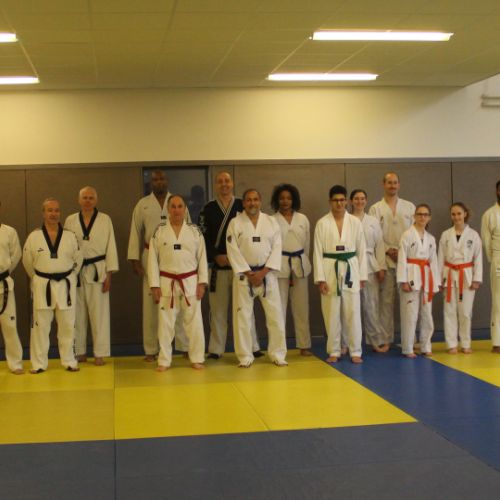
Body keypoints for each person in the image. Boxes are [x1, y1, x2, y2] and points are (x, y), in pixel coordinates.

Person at [127, 169, 189, 361]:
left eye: (162, 179)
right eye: (155, 179)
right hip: (150, 257)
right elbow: (135, 231)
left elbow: (189, 231)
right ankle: (151, 349)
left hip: (175, 256)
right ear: (151, 182)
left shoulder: (177, 202)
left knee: (179, 301)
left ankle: (184, 345)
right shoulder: (143, 204)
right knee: (151, 306)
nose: (159, 182)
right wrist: (135, 260)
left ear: (167, 181)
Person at [198, 171, 261, 359]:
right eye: (220, 181)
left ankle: (253, 346)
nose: (224, 184)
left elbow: (251, 233)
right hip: (218, 266)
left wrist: (239, 258)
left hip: (241, 267)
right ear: (216, 185)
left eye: (227, 181)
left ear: (232, 183)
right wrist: (215, 255)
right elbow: (202, 237)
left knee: (245, 309)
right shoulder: (207, 209)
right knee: (217, 310)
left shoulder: (243, 205)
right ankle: (216, 349)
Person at [226, 189, 287, 368]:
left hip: (267, 275)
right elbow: (232, 250)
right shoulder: (235, 223)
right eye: (248, 200)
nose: (252, 203)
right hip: (244, 277)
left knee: (275, 316)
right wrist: (249, 273)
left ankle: (278, 354)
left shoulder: (271, 222)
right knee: (242, 318)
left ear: (260, 201)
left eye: (255, 199)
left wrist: (263, 272)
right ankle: (245, 356)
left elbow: (277, 248)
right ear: (244, 203)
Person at [148, 195, 207, 371]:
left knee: (194, 323)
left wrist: (202, 283)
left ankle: (197, 357)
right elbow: (152, 260)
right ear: (168, 209)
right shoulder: (159, 231)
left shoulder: (195, 231)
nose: (176, 210)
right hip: (167, 282)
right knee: (165, 324)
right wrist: (154, 285)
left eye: (180, 206)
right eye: (173, 206)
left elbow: (202, 258)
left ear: (185, 209)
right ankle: (164, 360)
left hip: (190, 281)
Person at [23, 198, 82, 373]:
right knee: (40, 326)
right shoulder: (34, 237)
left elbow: (78, 259)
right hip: (43, 284)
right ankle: (39, 364)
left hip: (65, 284)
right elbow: (27, 262)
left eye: (56, 210)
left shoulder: (70, 236)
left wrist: (71, 276)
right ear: (43, 213)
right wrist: (38, 278)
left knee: (67, 325)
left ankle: (69, 361)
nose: (53, 214)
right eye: (50, 210)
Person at [64, 187, 119, 366]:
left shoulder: (105, 219)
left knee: (99, 314)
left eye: (91, 198)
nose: (87, 201)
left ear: (96, 200)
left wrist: (109, 274)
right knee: (77, 314)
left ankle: (100, 353)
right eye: (85, 198)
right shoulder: (70, 220)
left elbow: (111, 246)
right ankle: (79, 351)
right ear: (79, 200)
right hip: (76, 272)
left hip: (99, 270)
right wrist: (67, 272)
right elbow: (66, 247)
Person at [314, 185, 367, 364]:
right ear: (330, 202)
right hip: (330, 267)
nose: (339, 203)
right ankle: (334, 350)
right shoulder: (322, 223)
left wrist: (362, 276)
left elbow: (361, 249)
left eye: (342, 200)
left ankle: (355, 350)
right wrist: (320, 279)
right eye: (336, 200)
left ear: (347, 201)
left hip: (351, 266)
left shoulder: (355, 222)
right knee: (331, 312)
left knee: (353, 311)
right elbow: (317, 252)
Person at [369, 172, 415, 350]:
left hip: (406, 259)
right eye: (389, 183)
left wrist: (402, 252)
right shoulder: (375, 209)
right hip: (385, 258)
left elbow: (414, 233)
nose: (392, 186)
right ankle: (385, 339)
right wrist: (388, 250)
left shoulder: (409, 207)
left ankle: (409, 340)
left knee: (409, 302)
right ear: (383, 184)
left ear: (399, 185)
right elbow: (374, 237)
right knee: (386, 301)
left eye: (395, 182)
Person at [271, 183, 312, 356]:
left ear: (294, 200)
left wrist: (303, 260)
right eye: (282, 198)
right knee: (279, 307)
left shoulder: (303, 219)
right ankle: (279, 346)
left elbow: (307, 244)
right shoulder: (272, 220)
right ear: (277, 200)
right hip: (279, 265)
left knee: (301, 307)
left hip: (299, 264)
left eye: (288, 198)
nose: (285, 201)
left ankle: (304, 344)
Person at [438, 203, 482, 354]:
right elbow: (440, 257)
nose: (456, 217)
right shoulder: (445, 235)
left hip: (467, 275)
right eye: (453, 214)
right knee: (449, 310)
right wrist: (439, 279)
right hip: (449, 274)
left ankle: (465, 343)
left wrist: (476, 279)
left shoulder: (473, 235)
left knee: (465, 312)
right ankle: (451, 344)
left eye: (459, 213)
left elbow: (478, 258)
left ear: (465, 214)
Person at [397, 203, 440, 358]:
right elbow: (402, 258)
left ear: (429, 218)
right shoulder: (407, 235)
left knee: (427, 314)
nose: (422, 217)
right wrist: (403, 280)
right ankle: (408, 348)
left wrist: (435, 284)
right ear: (414, 216)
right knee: (410, 314)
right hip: (411, 276)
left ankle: (425, 345)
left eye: (425, 214)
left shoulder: (431, 239)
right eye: (420, 214)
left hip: (426, 277)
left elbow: (434, 262)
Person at [349, 189, 387, 352]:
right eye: (356, 199)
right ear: (351, 201)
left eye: (362, 198)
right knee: (350, 305)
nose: (360, 201)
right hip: (351, 264)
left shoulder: (373, 221)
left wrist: (381, 267)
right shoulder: (347, 219)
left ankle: (375, 340)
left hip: (370, 264)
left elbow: (380, 244)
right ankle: (348, 342)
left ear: (366, 201)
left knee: (371, 304)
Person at [0, 201, 24, 374]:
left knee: (9, 326)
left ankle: (15, 363)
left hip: (4, 284)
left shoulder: (9, 231)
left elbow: (16, 255)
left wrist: (5, 271)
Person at [481, 180, 500, 353]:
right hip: (498, 258)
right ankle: (497, 341)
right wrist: (493, 259)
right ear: (496, 191)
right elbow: (486, 241)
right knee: (498, 299)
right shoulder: (489, 214)